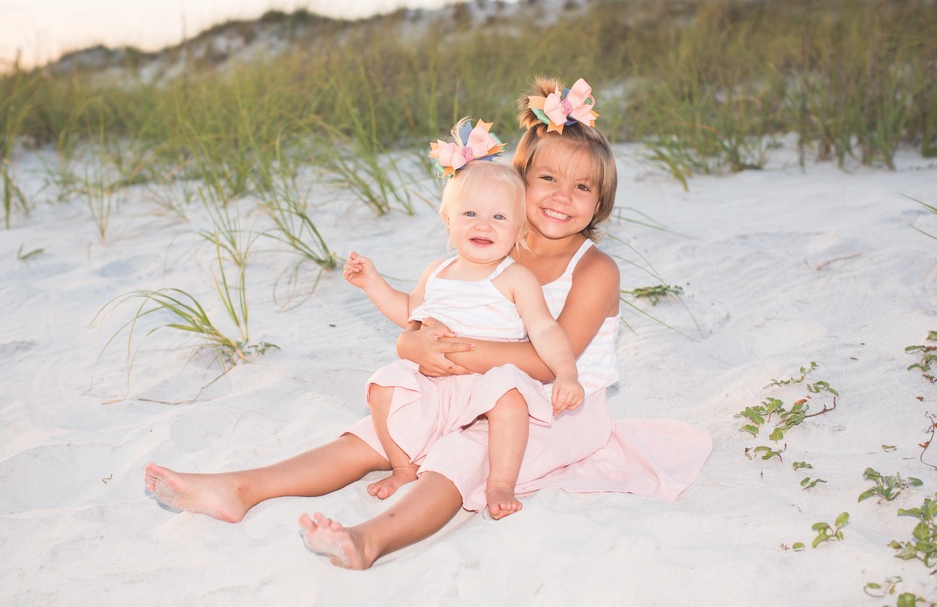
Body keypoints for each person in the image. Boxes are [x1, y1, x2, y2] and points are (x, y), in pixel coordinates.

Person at [144, 77, 712, 571]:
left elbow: (544, 360)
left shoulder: (594, 271)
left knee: (463, 453)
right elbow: (425, 312)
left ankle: (370, 539)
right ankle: (241, 487)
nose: (563, 197)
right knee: (375, 430)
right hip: (477, 385)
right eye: (547, 180)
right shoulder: (490, 248)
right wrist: (412, 342)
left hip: (558, 406)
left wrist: (449, 350)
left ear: (600, 201)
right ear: (517, 183)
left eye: (582, 187)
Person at [344, 122, 584, 519]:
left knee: (510, 396)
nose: (482, 225)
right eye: (469, 213)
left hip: (487, 385)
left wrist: (566, 373)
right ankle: (404, 467)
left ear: (520, 228)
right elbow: (410, 315)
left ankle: (500, 482)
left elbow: (544, 329)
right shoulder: (437, 271)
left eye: (499, 217)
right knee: (385, 385)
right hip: (437, 383)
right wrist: (373, 284)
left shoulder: (514, 277)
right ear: (447, 219)